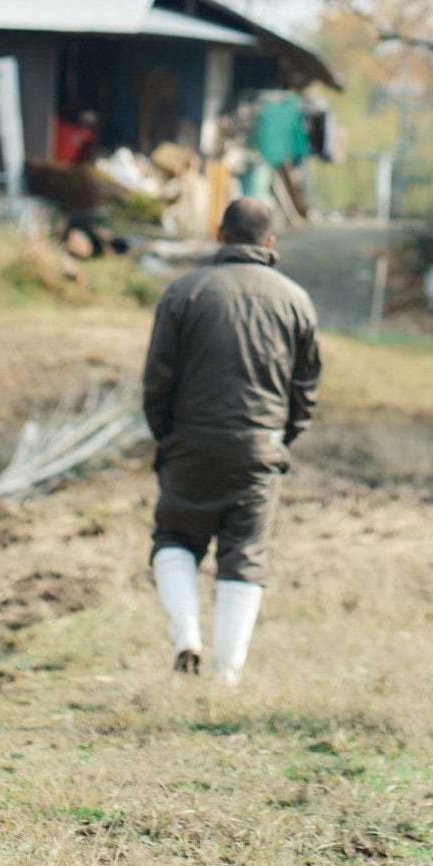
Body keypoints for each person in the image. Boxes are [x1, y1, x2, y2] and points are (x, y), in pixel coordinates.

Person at [142, 194, 321, 685]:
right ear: (270, 242)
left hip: (190, 443)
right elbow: (305, 388)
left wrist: (167, 435)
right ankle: (227, 675)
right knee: (245, 555)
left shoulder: (183, 293)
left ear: (220, 235)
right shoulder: (295, 300)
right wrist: (281, 438)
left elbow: (158, 378)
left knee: (175, 538)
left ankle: (186, 640)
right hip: (260, 446)